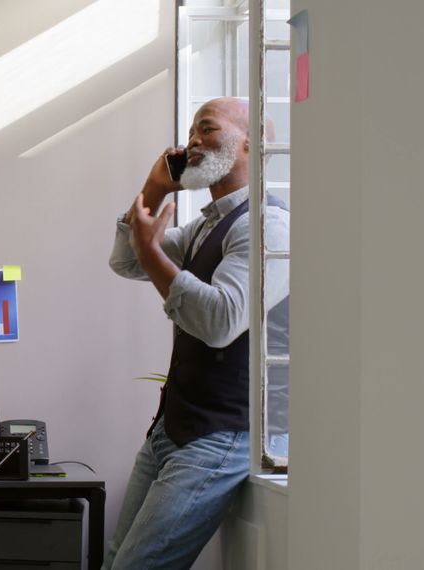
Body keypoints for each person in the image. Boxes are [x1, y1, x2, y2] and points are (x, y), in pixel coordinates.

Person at [104, 97, 289, 569]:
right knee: (115, 560)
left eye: (207, 128)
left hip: (222, 434)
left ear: (252, 142)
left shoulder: (268, 224)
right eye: (191, 131)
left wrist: (152, 254)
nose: (193, 140)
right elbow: (126, 260)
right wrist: (153, 187)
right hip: (175, 426)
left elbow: (221, 321)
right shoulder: (207, 225)